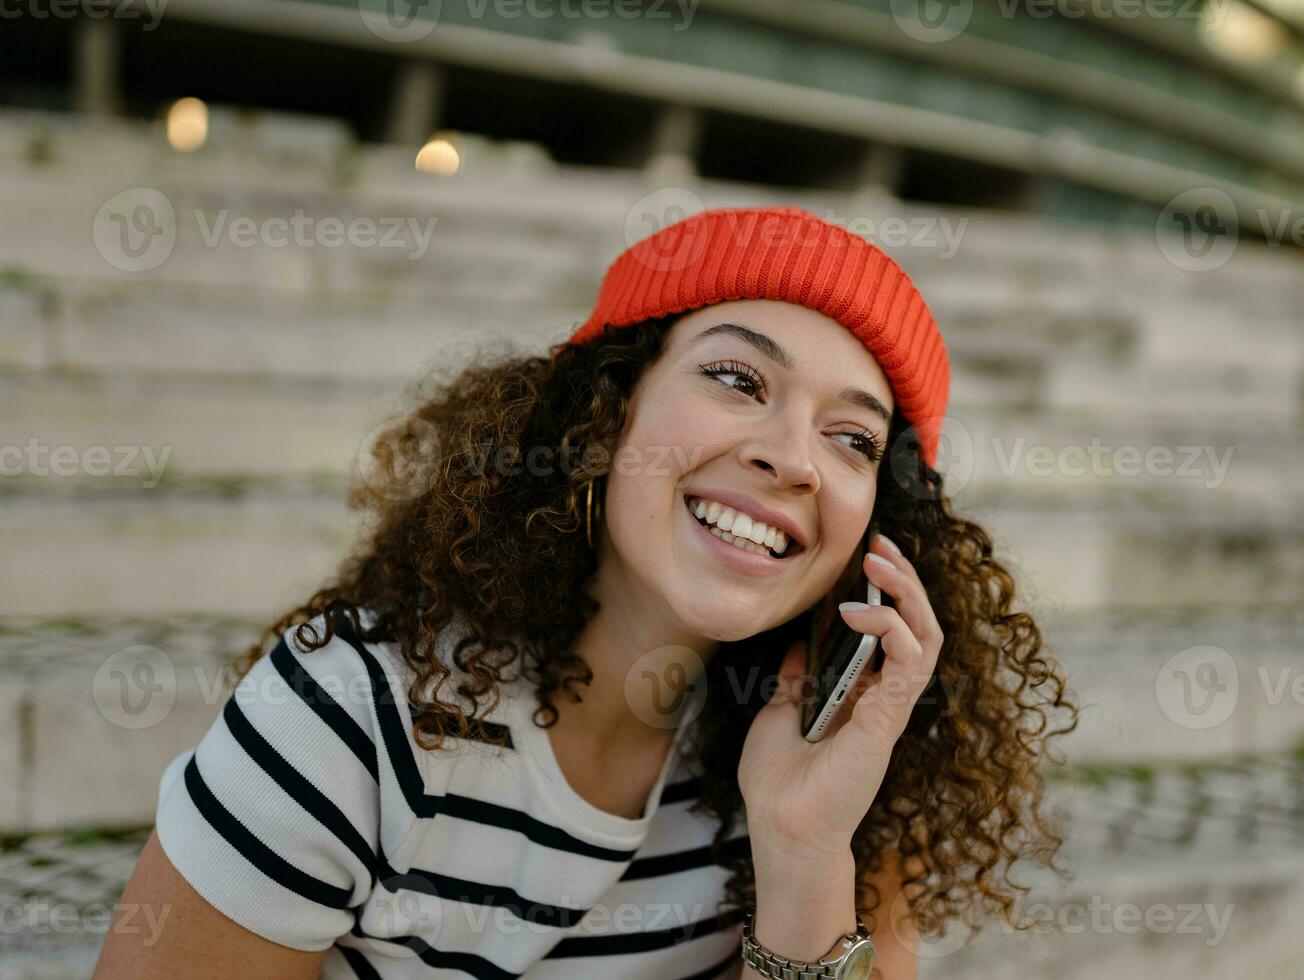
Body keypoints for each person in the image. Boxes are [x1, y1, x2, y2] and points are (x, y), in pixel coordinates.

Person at [94, 206, 1075, 979]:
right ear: (604, 412)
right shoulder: (354, 711)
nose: (793, 458)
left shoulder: (842, 764)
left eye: (853, 438)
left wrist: (804, 846)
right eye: (738, 378)